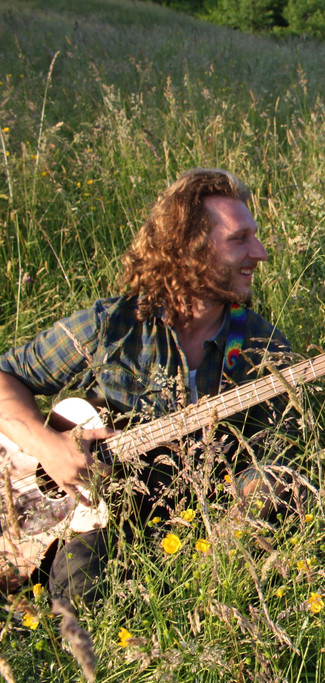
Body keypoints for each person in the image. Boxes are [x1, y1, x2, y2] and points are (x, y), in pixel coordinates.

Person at [0, 168, 293, 601]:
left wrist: (235, 523)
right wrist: (47, 446)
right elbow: (6, 374)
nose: (261, 252)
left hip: (196, 522)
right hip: (99, 513)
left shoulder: (260, 345)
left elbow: (277, 456)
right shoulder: (112, 326)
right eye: (239, 239)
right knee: (78, 593)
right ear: (188, 249)